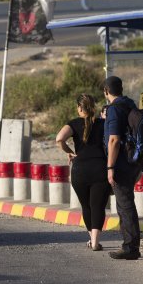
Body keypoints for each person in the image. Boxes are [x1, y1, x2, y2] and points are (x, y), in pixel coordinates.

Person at [55, 94, 111, 252]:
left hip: (79, 170)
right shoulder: (103, 123)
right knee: (98, 206)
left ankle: (91, 239)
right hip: (100, 168)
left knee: (86, 206)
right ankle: (95, 241)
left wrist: (70, 152)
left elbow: (59, 138)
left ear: (79, 108)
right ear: (94, 106)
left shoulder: (73, 123)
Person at [103, 75, 142, 260]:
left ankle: (131, 247)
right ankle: (130, 244)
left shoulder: (115, 109)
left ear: (106, 92)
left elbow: (114, 140)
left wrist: (110, 167)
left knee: (125, 205)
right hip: (133, 161)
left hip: (121, 164)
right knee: (126, 204)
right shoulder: (130, 105)